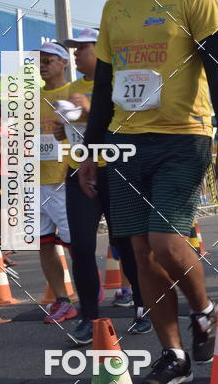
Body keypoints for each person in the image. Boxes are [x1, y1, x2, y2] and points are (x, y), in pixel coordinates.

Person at [79, 0, 218, 384]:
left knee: (167, 242)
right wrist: (92, 152)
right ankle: (172, 354)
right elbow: (105, 87)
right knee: (139, 251)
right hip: (124, 142)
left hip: (182, 136)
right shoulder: (115, 8)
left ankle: (205, 310)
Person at [52, 27, 151, 345]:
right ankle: (89, 317)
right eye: (74, 49)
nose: (76, 54)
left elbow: (127, 121)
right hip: (78, 171)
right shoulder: (69, 89)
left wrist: (89, 108)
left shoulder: (121, 83)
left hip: (117, 169)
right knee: (81, 246)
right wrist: (61, 131)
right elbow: (66, 133)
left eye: (82, 48)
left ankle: (141, 307)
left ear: (100, 50)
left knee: (125, 244)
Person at [38, 41, 76, 324]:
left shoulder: (73, 94)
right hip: (35, 180)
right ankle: (62, 300)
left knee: (75, 244)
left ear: (64, 63)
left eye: (49, 59)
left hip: (64, 180)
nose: (43, 64)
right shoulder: (31, 98)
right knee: (44, 244)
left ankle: (87, 293)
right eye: (40, 60)